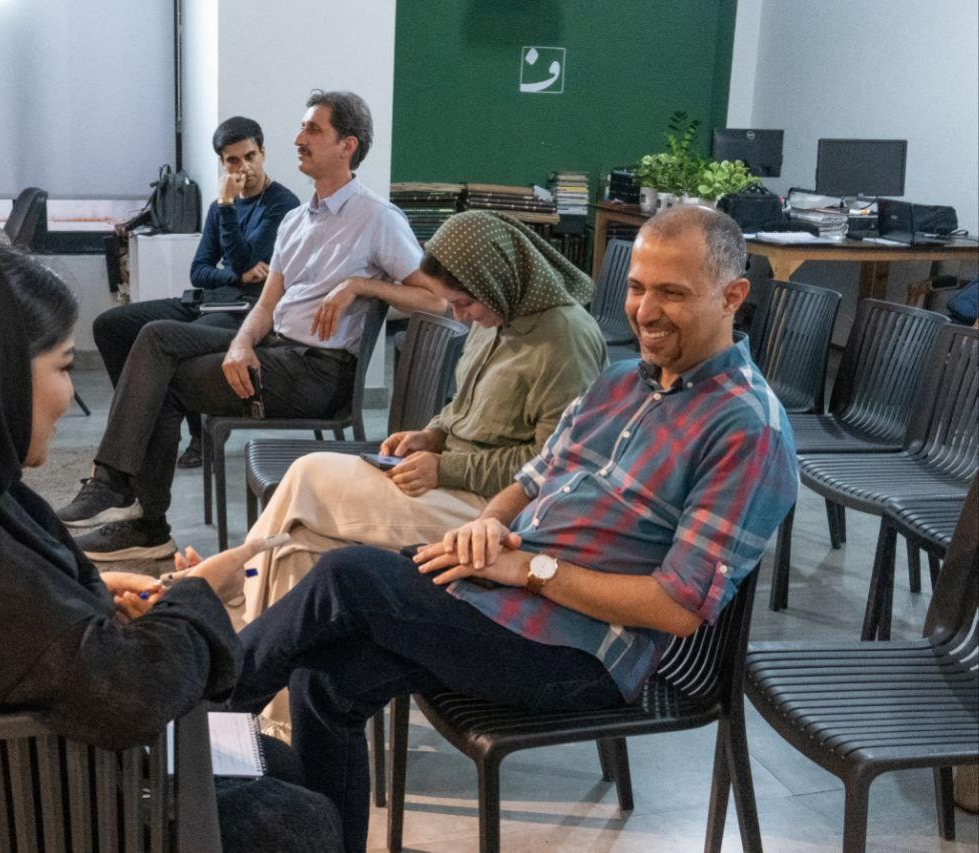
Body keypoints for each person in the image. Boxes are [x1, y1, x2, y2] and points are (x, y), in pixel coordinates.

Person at [225, 206, 800, 852]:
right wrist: (488, 524)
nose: (646, 310)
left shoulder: (747, 428)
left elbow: (678, 608)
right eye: (638, 287)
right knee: (324, 680)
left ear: (732, 296)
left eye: (672, 292)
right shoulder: (622, 382)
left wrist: (529, 568)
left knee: (346, 575)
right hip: (506, 598)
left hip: (581, 653)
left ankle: (194, 710)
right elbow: (531, 478)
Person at [0, 237, 342, 852]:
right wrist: (200, 596)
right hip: (34, 820)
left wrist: (86, 591)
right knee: (304, 818)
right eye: (64, 366)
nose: (69, 398)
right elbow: (131, 694)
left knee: (273, 764)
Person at [57, 90, 447, 562]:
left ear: (347, 146)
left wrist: (361, 285)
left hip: (318, 373)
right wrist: (242, 342)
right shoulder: (297, 220)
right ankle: (116, 489)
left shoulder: (377, 218)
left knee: (163, 383)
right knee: (154, 336)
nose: (298, 138)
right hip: (276, 348)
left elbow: (437, 298)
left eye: (313, 129)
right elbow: (265, 305)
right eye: (302, 127)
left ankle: (143, 519)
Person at [239, 210, 606, 624]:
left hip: (496, 513)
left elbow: (552, 467)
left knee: (308, 477)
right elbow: (463, 406)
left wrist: (444, 468)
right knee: (299, 544)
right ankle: (259, 645)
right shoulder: (498, 311)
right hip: (453, 482)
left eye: (464, 303)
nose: (460, 317)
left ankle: (234, 611)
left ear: (497, 279)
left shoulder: (564, 338)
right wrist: (431, 435)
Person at [88, 116, 300, 480]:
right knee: (110, 325)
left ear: (263, 153)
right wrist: (234, 275)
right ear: (222, 163)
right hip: (208, 299)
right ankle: (144, 417)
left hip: (247, 310)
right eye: (233, 160)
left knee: (172, 339)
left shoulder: (281, 204)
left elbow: (245, 259)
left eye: (250, 156)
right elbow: (199, 270)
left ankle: (198, 435)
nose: (243, 168)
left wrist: (228, 210)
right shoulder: (220, 206)